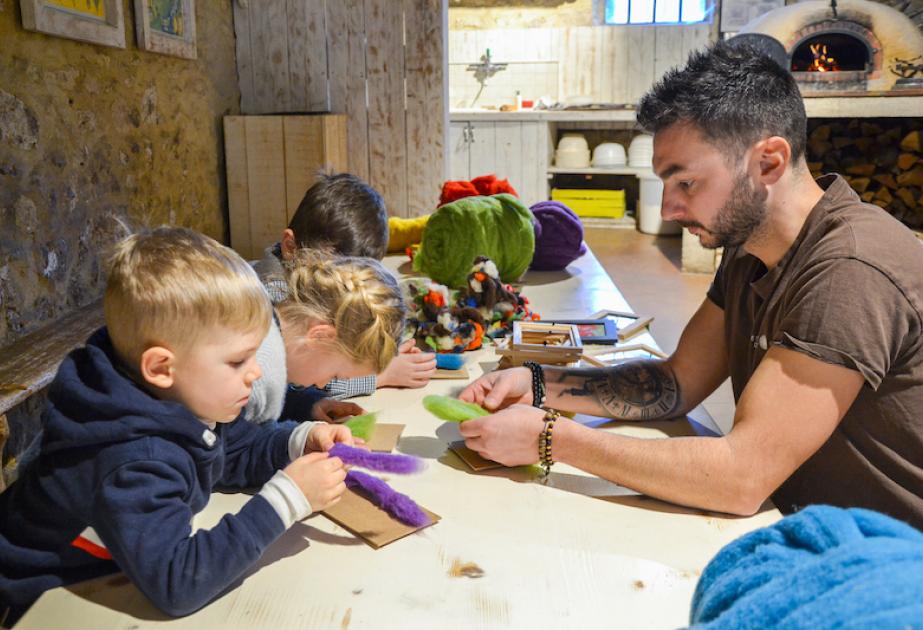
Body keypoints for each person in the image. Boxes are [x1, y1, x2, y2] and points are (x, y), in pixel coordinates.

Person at [457, 41, 923, 528]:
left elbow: (742, 477)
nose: (668, 210)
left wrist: (549, 438)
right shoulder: (750, 248)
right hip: (808, 528)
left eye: (687, 183)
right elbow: (675, 382)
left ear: (768, 163)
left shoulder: (849, 270)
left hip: (892, 570)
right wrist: (534, 383)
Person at [0, 228, 354, 624]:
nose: (255, 373)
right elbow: (177, 581)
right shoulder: (130, 461)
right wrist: (287, 499)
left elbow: (231, 450)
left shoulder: (178, 400)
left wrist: (297, 441)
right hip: (32, 601)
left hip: (112, 575)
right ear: (161, 368)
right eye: (238, 361)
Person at [252, 172, 436, 403]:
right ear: (290, 246)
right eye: (329, 271)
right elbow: (293, 387)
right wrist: (377, 376)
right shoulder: (269, 303)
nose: (340, 291)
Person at [244, 249, 407, 426]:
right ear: (320, 336)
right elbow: (232, 445)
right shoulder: (256, 367)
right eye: (335, 376)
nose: (323, 385)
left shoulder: (271, 344)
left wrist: (306, 405)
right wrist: (297, 441)